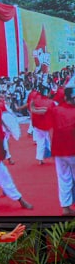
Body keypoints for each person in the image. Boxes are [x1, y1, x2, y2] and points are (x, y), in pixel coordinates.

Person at [47, 85, 75, 215]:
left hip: (59, 150)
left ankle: (65, 207)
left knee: (63, 178)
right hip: (72, 149)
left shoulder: (56, 110)